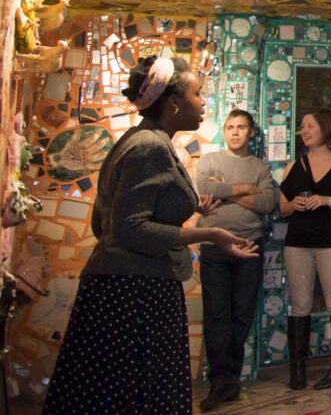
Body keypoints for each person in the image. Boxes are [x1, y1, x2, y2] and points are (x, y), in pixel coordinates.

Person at [44, 56, 257, 415]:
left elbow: (105, 222)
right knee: (138, 396)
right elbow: (128, 228)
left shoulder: (139, 139)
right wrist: (209, 234)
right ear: (173, 103)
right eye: (197, 93)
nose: (203, 102)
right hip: (134, 294)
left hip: (122, 287)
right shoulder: (150, 147)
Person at [195, 109, 278, 411]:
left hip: (250, 245)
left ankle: (230, 381)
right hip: (214, 246)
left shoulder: (260, 167)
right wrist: (244, 189)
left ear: (251, 132)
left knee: (241, 315)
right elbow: (204, 189)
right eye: (230, 127)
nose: (234, 132)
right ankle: (220, 382)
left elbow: (267, 203)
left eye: (241, 127)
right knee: (216, 315)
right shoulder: (210, 160)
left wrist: (225, 192)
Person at [278, 108, 331, 391]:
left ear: (325, 129)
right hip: (298, 243)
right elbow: (282, 208)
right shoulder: (294, 166)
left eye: (310, 126)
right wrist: (293, 205)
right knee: (299, 305)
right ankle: (297, 369)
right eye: (303, 126)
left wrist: (327, 200)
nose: (305, 131)